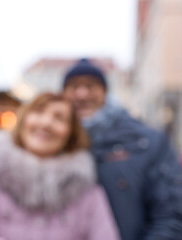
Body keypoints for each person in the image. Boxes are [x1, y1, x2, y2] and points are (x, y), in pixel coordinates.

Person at [0, 93, 120, 240]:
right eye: (39, 112)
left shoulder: (87, 192)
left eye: (59, 118)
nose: (46, 123)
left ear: (71, 135)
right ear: (24, 120)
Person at [61, 58, 182, 240]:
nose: (82, 94)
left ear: (105, 92)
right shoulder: (52, 144)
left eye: (90, 85)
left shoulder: (147, 142)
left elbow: (170, 214)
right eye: (73, 87)